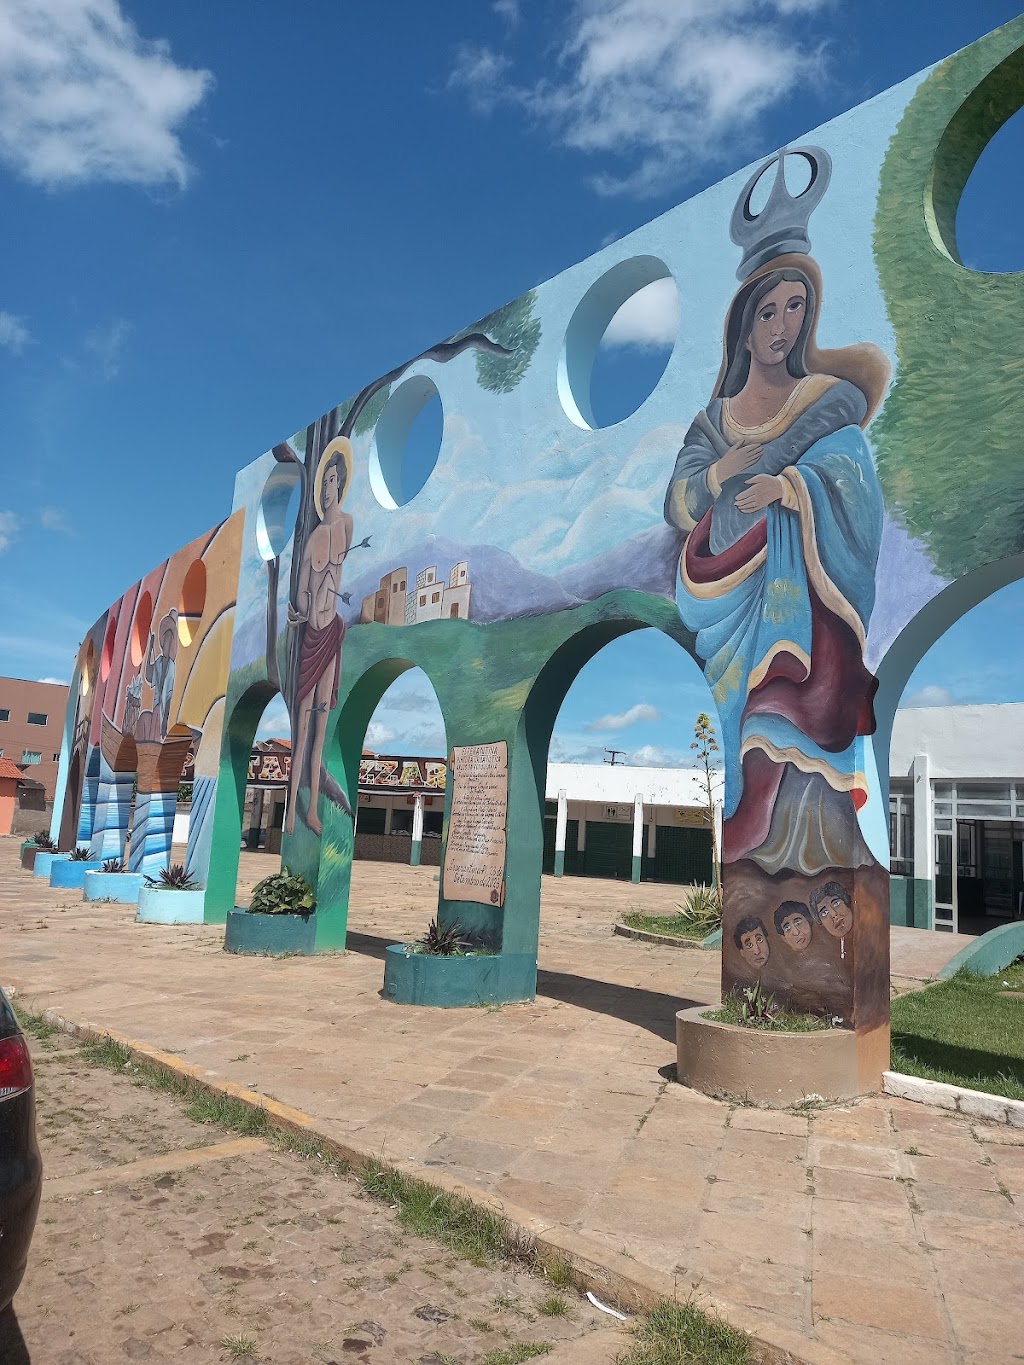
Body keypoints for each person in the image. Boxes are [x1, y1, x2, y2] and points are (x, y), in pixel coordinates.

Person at [664, 255, 889, 879]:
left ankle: (806, 857)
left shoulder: (825, 401)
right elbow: (678, 502)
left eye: (796, 308)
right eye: (767, 313)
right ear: (744, 330)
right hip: (723, 592)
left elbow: (850, 468)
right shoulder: (714, 423)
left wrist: (789, 488)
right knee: (740, 724)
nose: (782, 326)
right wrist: (722, 473)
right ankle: (753, 844)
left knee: (794, 713)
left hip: (807, 596)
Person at [286, 437, 353, 836]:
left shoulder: (347, 526)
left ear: (340, 483)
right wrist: (302, 609)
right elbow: (300, 593)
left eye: (331, 480)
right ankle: (291, 810)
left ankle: (312, 809)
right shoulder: (314, 539)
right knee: (303, 728)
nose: (327, 488)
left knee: (322, 726)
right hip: (313, 633)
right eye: (323, 481)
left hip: (334, 631)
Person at [811, 880, 854, 958]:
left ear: (846, 902)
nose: (834, 915)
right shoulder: (824, 954)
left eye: (836, 904)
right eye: (824, 913)